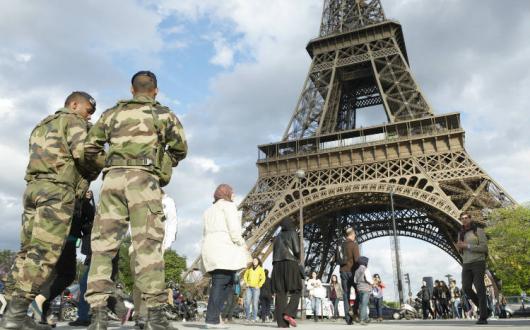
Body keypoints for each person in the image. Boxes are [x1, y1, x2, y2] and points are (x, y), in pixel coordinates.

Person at [84, 71, 187, 330]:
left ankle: (97, 314)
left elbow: (90, 147)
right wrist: (163, 164)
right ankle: (153, 315)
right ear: (155, 91)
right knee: (148, 246)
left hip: (113, 180)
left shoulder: (111, 114)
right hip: (144, 180)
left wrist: (109, 164)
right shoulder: (164, 115)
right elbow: (180, 149)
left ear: (131, 90)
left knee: (103, 246)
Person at [0, 91, 96, 330]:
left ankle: (11, 309)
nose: (89, 117)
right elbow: (85, 155)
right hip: (56, 191)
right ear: (74, 105)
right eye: (88, 111)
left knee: (26, 253)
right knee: (43, 255)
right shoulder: (73, 121)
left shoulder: (41, 125)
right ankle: (17, 315)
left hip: (33, 189)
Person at [201, 184, 250, 329]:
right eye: (232, 192)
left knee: (226, 283)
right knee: (221, 283)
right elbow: (234, 229)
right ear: (227, 193)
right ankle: (212, 319)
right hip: (224, 248)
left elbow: (205, 232)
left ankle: (216, 317)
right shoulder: (229, 206)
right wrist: (242, 243)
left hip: (211, 247)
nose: (234, 194)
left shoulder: (208, 210)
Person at [131, 190, 178, 328]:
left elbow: (172, 223)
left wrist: (165, 245)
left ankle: (149, 317)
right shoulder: (139, 196)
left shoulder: (167, 202)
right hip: (137, 244)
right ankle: (140, 316)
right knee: (138, 282)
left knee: (152, 281)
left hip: (156, 245)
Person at [456, 212, 489, 325]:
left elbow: (484, 248)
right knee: (466, 287)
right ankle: (484, 308)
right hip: (466, 263)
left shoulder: (478, 231)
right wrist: (460, 248)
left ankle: (483, 317)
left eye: (466, 218)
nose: (464, 220)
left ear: (470, 218)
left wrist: (467, 246)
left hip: (478, 262)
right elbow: (461, 250)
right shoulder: (460, 233)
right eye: (462, 218)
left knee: (480, 288)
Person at [271, 218, 303, 328]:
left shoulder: (278, 236)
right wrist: (298, 259)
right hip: (290, 263)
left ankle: (282, 324)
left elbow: (274, 251)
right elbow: (297, 250)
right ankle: (289, 313)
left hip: (277, 265)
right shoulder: (293, 232)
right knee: (297, 289)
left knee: (280, 293)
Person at [338, 227, 360, 324]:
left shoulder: (341, 245)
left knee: (346, 295)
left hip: (343, 272)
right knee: (359, 292)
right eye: (354, 234)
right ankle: (354, 311)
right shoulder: (354, 245)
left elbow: (336, 259)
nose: (355, 235)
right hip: (353, 273)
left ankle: (348, 319)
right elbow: (357, 261)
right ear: (352, 234)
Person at [243, 258, 265, 322]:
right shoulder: (249, 269)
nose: (254, 261)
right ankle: (247, 317)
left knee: (255, 304)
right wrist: (246, 282)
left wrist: (259, 285)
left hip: (256, 288)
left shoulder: (261, 269)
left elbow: (263, 278)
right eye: (254, 260)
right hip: (249, 288)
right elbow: (245, 276)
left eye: (256, 260)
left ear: (258, 262)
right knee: (247, 303)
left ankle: (254, 318)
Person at [354, 256, 373, 325]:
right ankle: (361, 319)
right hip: (366, 289)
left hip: (359, 288)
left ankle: (366, 318)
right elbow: (369, 279)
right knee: (364, 304)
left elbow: (355, 280)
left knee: (361, 304)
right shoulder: (366, 269)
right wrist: (372, 283)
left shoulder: (356, 270)